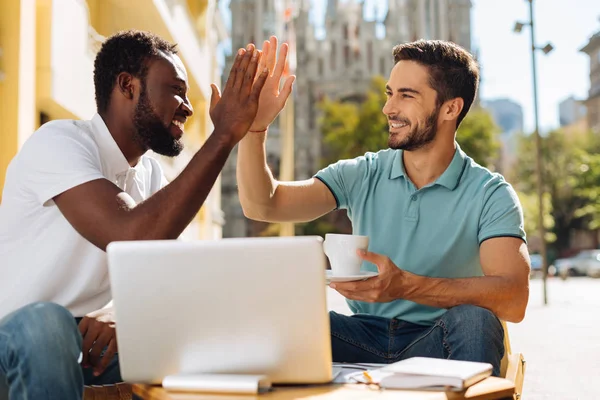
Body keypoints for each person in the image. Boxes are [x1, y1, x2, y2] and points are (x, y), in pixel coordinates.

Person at [237, 37, 530, 376]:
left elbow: (513, 298)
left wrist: (407, 286)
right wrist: (254, 128)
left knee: (476, 321)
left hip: (439, 339)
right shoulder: (364, 173)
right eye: (390, 94)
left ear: (451, 108)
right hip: (360, 334)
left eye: (407, 95)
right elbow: (264, 205)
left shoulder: (490, 193)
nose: (388, 109)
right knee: (274, 316)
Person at [0, 30, 268, 399]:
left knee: (222, 342)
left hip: (90, 351)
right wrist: (223, 136)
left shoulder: (150, 174)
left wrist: (121, 313)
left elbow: (164, 280)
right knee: (48, 325)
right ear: (128, 86)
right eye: (176, 90)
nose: (189, 108)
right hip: (16, 343)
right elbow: (128, 236)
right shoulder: (59, 142)